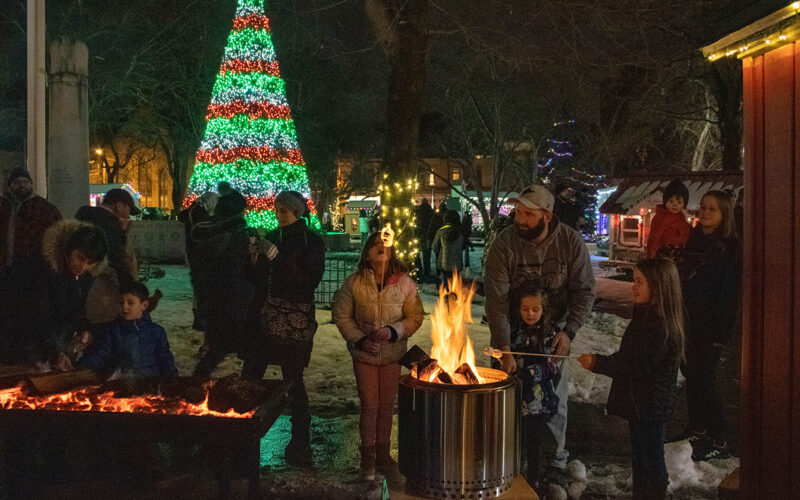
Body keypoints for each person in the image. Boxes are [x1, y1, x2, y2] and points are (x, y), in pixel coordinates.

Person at [484, 184, 595, 486]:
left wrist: (569, 332)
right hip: (512, 332)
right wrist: (504, 348)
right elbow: (495, 300)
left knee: (553, 398)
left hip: (552, 334)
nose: (520, 218)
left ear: (547, 215)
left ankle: (555, 461)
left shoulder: (570, 243)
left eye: (528, 214)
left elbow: (584, 291)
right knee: (507, 399)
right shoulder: (503, 245)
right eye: (518, 212)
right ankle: (507, 460)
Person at [578, 258, 684, 500]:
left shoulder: (660, 325)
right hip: (642, 403)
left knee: (650, 456)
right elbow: (630, 355)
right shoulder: (646, 314)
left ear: (657, 287)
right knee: (641, 455)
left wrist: (599, 363)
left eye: (639, 282)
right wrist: (602, 360)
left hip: (650, 405)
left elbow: (638, 365)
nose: (633, 286)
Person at [242, 190, 325, 467]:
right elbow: (259, 280)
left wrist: (276, 257)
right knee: (250, 376)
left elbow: (305, 284)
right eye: (276, 210)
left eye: (284, 211)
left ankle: (300, 440)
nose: (279, 216)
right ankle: (242, 437)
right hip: (265, 318)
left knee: (293, 381)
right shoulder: (273, 237)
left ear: (298, 213)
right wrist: (253, 260)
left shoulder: (311, 242)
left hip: (293, 321)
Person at [332, 231, 424, 481]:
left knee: (386, 407)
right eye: (375, 245)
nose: (381, 248)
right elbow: (342, 316)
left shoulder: (405, 284)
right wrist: (361, 340)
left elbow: (415, 316)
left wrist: (394, 331)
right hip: (365, 356)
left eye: (385, 245)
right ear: (367, 253)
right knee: (370, 406)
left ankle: (383, 455)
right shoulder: (354, 283)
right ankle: (368, 459)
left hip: (393, 355)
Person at [674, 190, 739, 460]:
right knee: (692, 375)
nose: (705, 212)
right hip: (689, 319)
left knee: (707, 380)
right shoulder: (695, 238)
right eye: (703, 207)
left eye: (712, 208)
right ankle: (697, 428)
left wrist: (720, 335)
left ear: (724, 213)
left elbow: (729, 294)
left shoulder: (730, 248)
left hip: (712, 323)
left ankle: (720, 437)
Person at [3, 219, 107, 364]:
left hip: (49, 346)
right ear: (69, 249)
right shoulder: (40, 269)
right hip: (20, 347)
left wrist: (84, 328)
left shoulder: (85, 277)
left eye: (90, 263)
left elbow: (76, 310)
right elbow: (34, 319)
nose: (83, 266)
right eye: (80, 258)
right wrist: (53, 353)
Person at [191, 189, 254, 377]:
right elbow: (240, 268)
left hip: (210, 297)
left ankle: (201, 383)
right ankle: (203, 387)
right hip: (235, 299)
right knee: (226, 349)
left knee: (217, 346)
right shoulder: (237, 233)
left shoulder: (202, 233)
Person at [510, 286, 562, 489]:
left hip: (539, 400)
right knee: (516, 439)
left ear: (543, 309)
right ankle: (515, 475)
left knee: (535, 441)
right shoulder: (515, 331)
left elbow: (552, 365)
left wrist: (530, 374)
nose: (529, 313)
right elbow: (508, 355)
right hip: (517, 398)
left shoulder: (551, 333)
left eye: (535, 309)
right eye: (525, 309)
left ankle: (534, 479)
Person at [81, 281, 178, 379]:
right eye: (121, 302)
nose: (124, 307)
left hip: (150, 384)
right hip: (121, 384)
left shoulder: (156, 332)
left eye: (130, 303)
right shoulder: (112, 330)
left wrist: (172, 378)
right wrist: (84, 366)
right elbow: (99, 353)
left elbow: (165, 359)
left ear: (144, 305)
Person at [0, 167, 62, 278]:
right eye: (16, 182)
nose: (21, 185)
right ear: (9, 186)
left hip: (34, 268)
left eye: (25, 181)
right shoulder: (3, 207)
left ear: (31, 184)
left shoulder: (43, 207)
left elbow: (57, 233)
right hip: (6, 267)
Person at [76, 188, 140, 286]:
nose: (128, 216)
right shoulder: (110, 225)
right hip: (97, 284)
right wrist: (129, 287)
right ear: (119, 206)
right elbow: (116, 258)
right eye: (128, 210)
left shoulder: (85, 215)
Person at [178, 191, 220, 332]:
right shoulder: (201, 216)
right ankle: (203, 322)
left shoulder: (193, 212)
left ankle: (201, 319)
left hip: (196, 257)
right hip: (203, 258)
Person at [645, 178, 691, 258]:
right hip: (664, 255)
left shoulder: (682, 219)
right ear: (665, 201)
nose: (675, 205)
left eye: (679, 202)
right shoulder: (661, 218)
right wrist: (651, 256)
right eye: (671, 201)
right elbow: (654, 238)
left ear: (684, 204)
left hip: (680, 255)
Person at [431, 209, 464, 285]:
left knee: (445, 285)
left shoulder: (440, 232)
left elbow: (434, 247)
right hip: (457, 264)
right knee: (455, 285)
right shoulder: (460, 232)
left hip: (443, 264)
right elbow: (463, 246)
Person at [414, 198, 434, 278]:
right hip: (427, 235)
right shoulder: (430, 211)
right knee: (426, 254)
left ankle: (419, 269)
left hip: (418, 234)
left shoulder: (417, 211)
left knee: (416, 253)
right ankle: (427, 270)